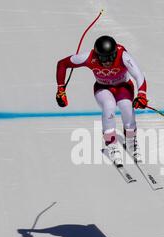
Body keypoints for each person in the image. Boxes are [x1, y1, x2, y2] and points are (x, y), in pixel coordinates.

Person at [56, 35, 148, 166]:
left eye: (111, 57)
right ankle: (111, 144)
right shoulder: (88, 56)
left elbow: (139, 75)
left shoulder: (123, 55)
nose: (107, 62)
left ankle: (131, 140)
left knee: (127, 107)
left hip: (123, 87)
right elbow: (62, 64)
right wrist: (61, 89)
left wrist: (142, 94)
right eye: (103, 59)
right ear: (97, 55)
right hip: (103, 88)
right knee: (109, 106)